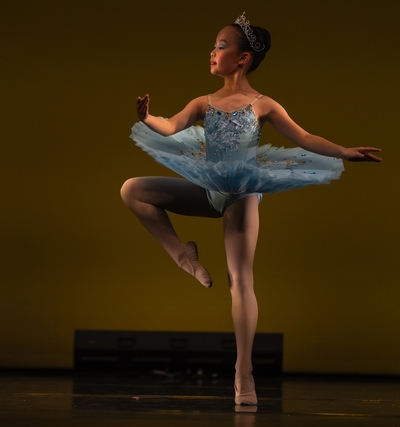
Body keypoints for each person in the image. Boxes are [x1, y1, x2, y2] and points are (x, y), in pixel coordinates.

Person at [120, 12, 382, 406]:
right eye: (214, 45)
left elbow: (304, 136)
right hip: (207, 188)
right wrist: (147, 118)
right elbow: (171, 126)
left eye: (221, 46)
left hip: (241, 195)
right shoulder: (203, 102)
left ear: (243, 58)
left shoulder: (263, 105)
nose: (212, 52)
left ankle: (244, 374)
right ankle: (183, 256)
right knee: (132, 190)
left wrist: (343, 151)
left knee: (240, 281)